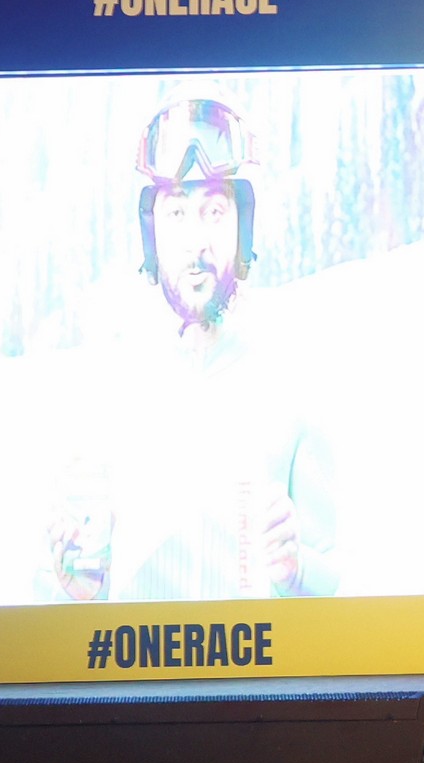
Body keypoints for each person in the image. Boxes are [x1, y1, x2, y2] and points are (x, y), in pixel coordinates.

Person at [46, 98, 336, 602]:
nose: (196, 240)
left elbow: (341, 591)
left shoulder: (292, 384)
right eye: (177, 212)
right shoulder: (107, 394)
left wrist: (296, 573)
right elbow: (60, 601)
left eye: (214, 212)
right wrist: (80, 594)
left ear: (242, 227)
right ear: (152, 233)